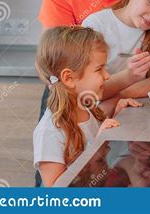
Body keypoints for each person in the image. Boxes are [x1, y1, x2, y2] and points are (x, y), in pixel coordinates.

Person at [33, 26, 142, 186]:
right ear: (69, 78)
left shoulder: (86, 107)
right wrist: (96, 149)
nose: (107, 75)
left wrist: (116, 114)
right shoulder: (49, 132)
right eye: (99, 69)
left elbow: (89, 137)